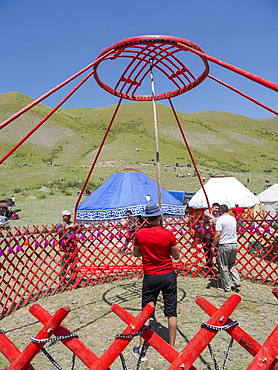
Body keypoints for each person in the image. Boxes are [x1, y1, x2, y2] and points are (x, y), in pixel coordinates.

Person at [132, 202, 180, 361]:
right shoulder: (168, 233)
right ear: (160, 216)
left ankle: (141, 349)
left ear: (147, 218)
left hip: (150, 276)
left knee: (146, 312)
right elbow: (176, 256)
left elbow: (136, 254)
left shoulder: (140, 234)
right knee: (171, 311)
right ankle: (172, 348)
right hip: (168, 275)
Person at [212, 204, 241, 292]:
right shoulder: (233, 219)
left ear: (220, 211)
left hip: (224, 244)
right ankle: (237, 281)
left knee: (223, 266)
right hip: (234, 244)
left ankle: (227, 287)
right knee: (232, 264)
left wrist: (213, 245)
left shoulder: (220, 220)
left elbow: (218, 234)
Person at [56, 210, 79, 285]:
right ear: (63, 216)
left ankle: (74, 279)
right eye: (67, 215)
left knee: (74, 265)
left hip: (73, 246)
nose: (69, 217)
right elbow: (59, 231)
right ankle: (62, 281)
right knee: (64, 265)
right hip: (64, 247)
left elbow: (77, 229)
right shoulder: (60, 224)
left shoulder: (71, 223)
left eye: (69, 215)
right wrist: (68, 227)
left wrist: (76, 226)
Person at [202, 203, 220, 276]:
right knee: (208, 255)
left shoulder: (219, 216)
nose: (217, 210)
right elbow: (204, 213)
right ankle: (209, 270)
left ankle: (219, 269)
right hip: (206, 238)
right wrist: (212, 217)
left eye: (218, 209)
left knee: (217, 254)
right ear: (212, 208)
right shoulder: (208, 212)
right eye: (215, 208)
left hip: (215, 238)